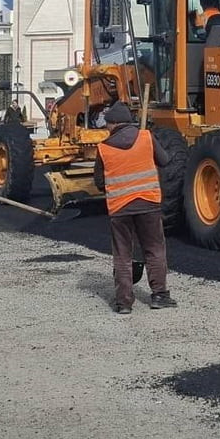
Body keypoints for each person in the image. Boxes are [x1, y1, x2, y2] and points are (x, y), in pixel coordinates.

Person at [92, 102, 176, 313]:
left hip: (120, 208)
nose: (106, 129)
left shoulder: (103, 148)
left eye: (107, 125)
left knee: (122, 254)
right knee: (154, 249)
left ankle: (124, 304)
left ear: (113, 124)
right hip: (148, 203)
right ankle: (159, 296)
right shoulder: (146, 137)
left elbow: (100, 182)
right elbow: (165, 161)